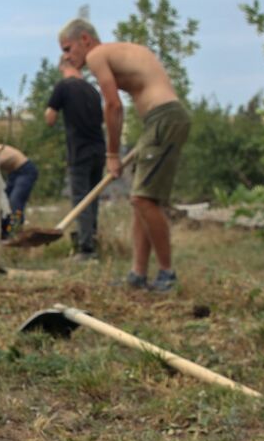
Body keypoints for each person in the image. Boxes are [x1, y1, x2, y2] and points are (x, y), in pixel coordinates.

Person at [59, 18, 191, 291]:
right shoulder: (120, 51)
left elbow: (113, 105)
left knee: (144, 199)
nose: (66, 57)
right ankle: (137, 275)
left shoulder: (97, 55)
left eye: (68, 48)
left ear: (85, 39)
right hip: (161, 119)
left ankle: (167, 273)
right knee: (141, 201)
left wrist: (112, 154)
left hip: (163, 118)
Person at [44, 57, 107, 261]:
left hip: (79, 151)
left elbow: (50, 118)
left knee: (81, 199)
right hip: (99, 150)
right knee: (92, 198)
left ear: (63, 66)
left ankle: (86, 249)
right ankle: (92, 241)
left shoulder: (63, 87)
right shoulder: (92, 90)